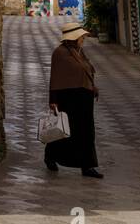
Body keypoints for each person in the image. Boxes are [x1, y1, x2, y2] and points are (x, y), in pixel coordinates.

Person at [44, 20, 103, 178]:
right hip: (67, 98)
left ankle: (87, 166)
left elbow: (86, 71)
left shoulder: (79, 52)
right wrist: (53, 100)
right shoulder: (60, 53)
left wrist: (92, 87)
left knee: (86, 132)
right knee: (64, 131)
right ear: (73, 38)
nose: (83, 40)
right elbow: (55, 77)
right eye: (81, 37)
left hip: (84, 98)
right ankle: (50, 156)